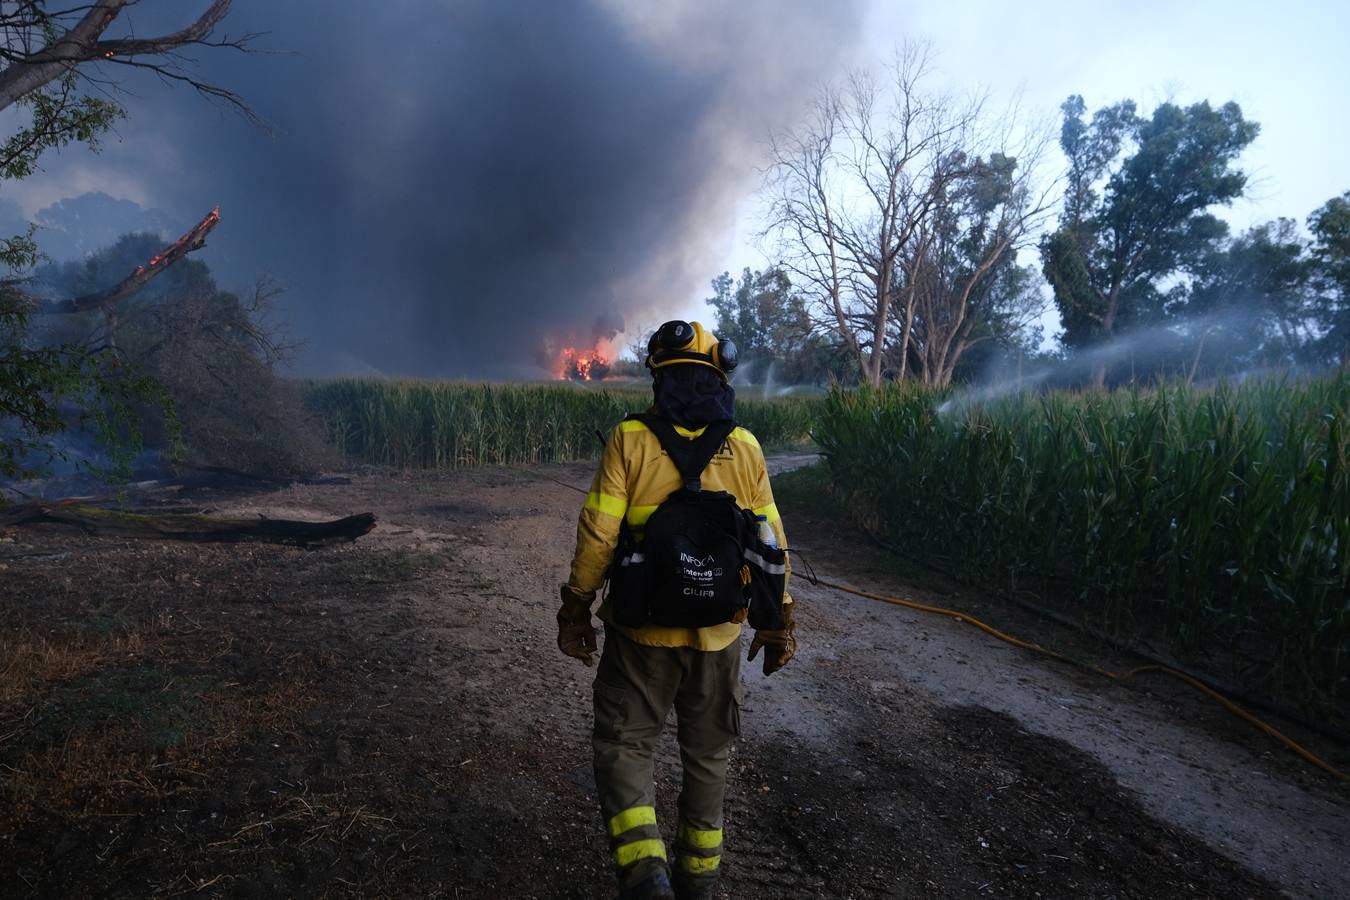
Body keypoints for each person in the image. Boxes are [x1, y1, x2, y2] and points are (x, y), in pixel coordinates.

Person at [557, 320, 796, 900]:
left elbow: (599, 535)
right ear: (720, 378)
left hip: (640, 635)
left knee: (625, 747)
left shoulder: (629, 439)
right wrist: (777, 620)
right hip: (719, 637)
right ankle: (697, 882)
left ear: (659, 379)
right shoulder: (746, 447)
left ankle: (646, 878)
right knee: (710, 757)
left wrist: (576, 608)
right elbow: (771, 543)